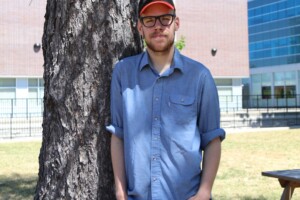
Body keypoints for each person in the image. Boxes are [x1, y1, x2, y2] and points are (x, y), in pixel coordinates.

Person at [106, 0, 226, 199]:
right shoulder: (123, 74)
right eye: (150, 20)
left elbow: (212, 138)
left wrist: (204, 192)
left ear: (176, 23)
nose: (158, 26)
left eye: (165, 19)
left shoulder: (200, 77)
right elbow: (118, 135)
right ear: (139, 27)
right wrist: (120, 193)